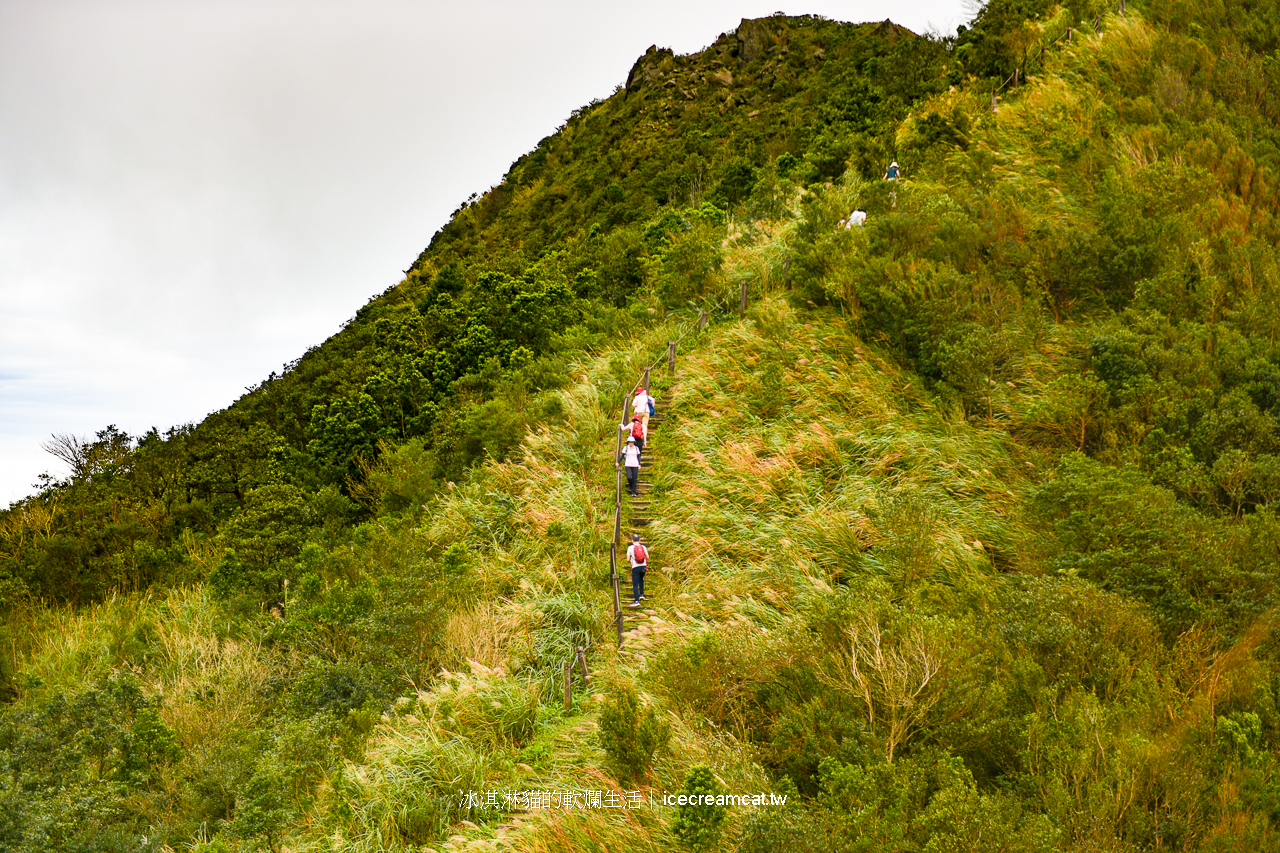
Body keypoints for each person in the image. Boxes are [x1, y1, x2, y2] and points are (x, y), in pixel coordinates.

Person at [627, 533, 648, 606]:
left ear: (632, 540)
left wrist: (631, 560)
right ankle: (642, 594)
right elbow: (647, 557)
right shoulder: (643, 547)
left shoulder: (630, 547)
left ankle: (636, 601)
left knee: (635, 584)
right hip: (643, 566)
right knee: (641, 579)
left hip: (635, 567)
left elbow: (628, 559)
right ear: (639, 540)